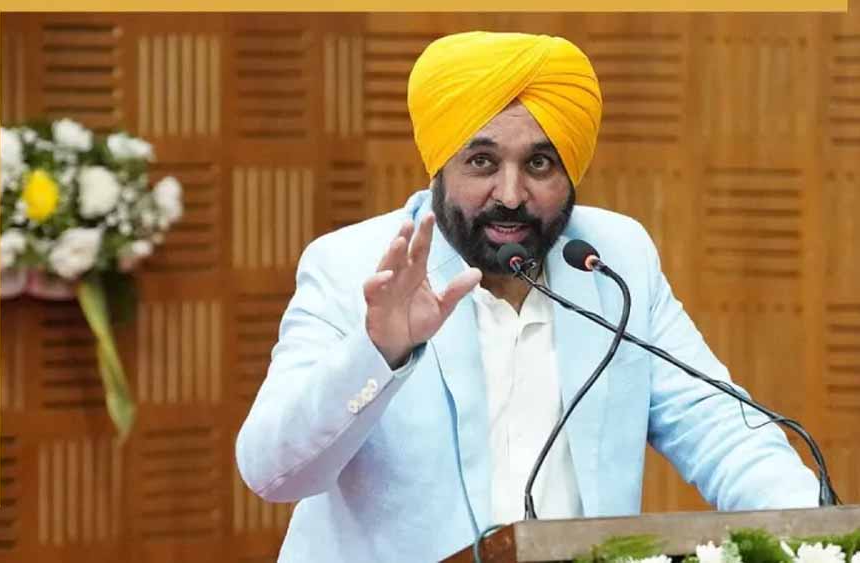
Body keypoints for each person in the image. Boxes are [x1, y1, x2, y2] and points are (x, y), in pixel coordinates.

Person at [235, 30, 820, 562]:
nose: (511, 195)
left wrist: (824, 537)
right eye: (482, 162)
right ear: (439, 167)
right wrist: (377, 352)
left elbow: (718, 428)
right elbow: (272, 473)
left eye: (539, 163)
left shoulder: (613, 260)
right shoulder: (355, 267)